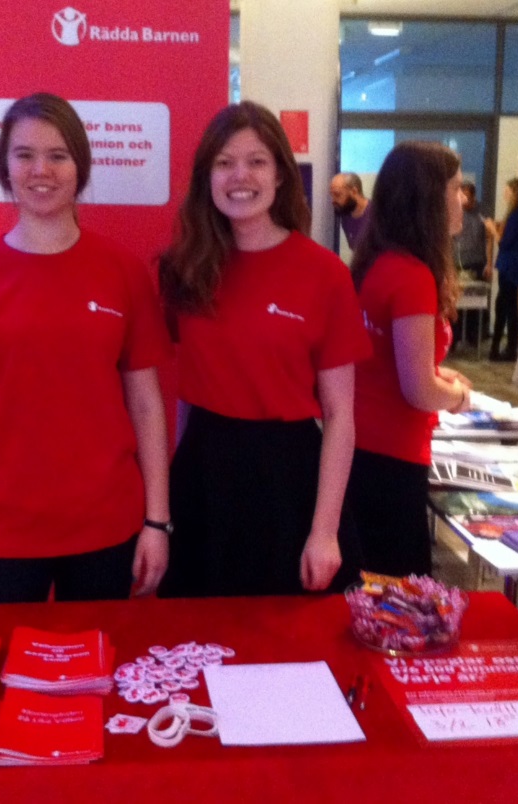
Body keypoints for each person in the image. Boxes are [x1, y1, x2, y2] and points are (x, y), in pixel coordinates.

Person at [0, 93, 172, 606]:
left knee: (98, 677)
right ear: (4, 166)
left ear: (80, 167)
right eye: (24, 155)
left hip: (108, 529)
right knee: (0, 676)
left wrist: (157, 520)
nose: (40, 169)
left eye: (58, 155)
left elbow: (147, 404)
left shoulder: (123, 272)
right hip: (5, 534)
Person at [159, 101, 371, 598]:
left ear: (280, 175)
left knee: (289, 644)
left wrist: (325, 530)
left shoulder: (324, 275)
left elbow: (341, 416)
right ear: (207, 176)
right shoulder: (185, 270)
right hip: (204, 477)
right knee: (197, 640)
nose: (240, 176)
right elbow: (187, 395)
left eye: (256, 161)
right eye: (224, 162)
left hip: (288, 480)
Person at [344, 141, 473, 578]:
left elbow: (384, 359)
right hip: (392, 460)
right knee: (396, 595)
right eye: (456, 188)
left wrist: (437, 372)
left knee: (371, 585)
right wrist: (457, 396)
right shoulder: (414, 276)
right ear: (429, 198)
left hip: (363, 450)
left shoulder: (379, 262)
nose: (463, 199)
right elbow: (418, 390)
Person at [484, 178, 518, 362]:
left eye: (507, 190)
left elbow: (504, 243)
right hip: (512, 266)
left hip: (511, 267)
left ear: (515, 193)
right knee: (505, 306)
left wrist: (492, 229)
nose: (504, 193)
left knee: (507, 307)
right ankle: (501, 348)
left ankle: (507, 349)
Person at [452, 181, 493, 347]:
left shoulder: (483, 211)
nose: (464, 202)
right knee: (455, 303)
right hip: (457, 262)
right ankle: (454, 339)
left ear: (474, 197)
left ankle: (474, 338)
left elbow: (489, 239)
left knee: (476, 303)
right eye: (462, 198)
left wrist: (489, 263)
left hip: (477, 261)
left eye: (467, 198)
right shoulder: (454, 209)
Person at [330, 172, 370, 250]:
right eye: (332, 195)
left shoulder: (377, 216)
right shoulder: (345, 216)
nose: (333, 200)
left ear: (354, 192)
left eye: (337, 194)